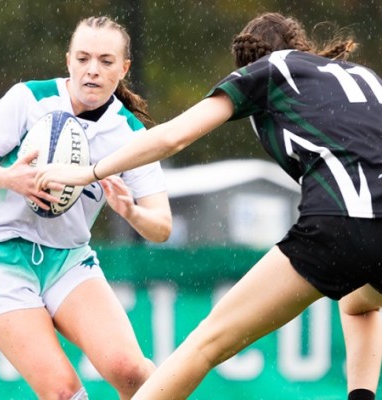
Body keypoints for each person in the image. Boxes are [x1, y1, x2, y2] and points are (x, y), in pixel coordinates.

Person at [35, 12, 382, 400]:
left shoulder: (270, 70)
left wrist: (88, 172)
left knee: (205, 344)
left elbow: (171, 139)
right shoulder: (362, 77)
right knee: (361, 302)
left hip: (339, 222)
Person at [0, 16, 172, 399]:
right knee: (62, 392)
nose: (93, 70)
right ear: (68, 60)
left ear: (123, 70)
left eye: (106, 61)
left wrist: (132, 213)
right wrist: (11, 179)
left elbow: (162, 227)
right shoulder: (29, 98)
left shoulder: (130, 134)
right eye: (84, 58)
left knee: (134, 374)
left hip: (68, 260)